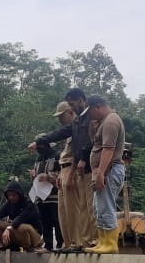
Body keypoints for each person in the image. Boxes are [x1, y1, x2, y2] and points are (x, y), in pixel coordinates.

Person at [28, 90, 97, 251]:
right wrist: (38, 141)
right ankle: (69, 242)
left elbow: (85, 147)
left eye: (62, 115)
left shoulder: (87, 122)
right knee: (65, 212)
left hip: (78, 169)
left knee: (81, 208)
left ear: (71, 111)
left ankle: (81, 242)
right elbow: (57, 134)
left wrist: (72, 171)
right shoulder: (75, 125)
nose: (60, 119)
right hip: (67, 169)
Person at [85, 95, 126, 254]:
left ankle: (110, 244)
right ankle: (103, 241)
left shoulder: (111, 121)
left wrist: (101, 173)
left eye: (90, 112)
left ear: (98, 107)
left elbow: (108, 150)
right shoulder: (103, 122)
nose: (90, 116)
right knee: (98, 208)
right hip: (103, 171)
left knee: (106, 206)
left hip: (109, 170)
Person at [0, 180, 44, 251]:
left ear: (19, 194)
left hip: (34, 235)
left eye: (13, 195)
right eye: (9, 195)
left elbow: (20, 219)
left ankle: (27, 246)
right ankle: (9, 245)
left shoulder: (29, 203)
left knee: (21, 227)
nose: (11, 197)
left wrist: (8, 228)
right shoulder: (8, 203)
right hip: (16, 230)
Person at [31, 135, 63, 251]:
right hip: (41, 195)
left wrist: (49, 177)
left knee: (57, 220)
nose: (39, 148)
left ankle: (60, 243)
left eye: (40, 145)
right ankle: (48, 244)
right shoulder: (39, 159)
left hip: (54, 194)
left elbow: (62, 174)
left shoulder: (57, 156)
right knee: (45, 221)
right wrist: (34, 176)